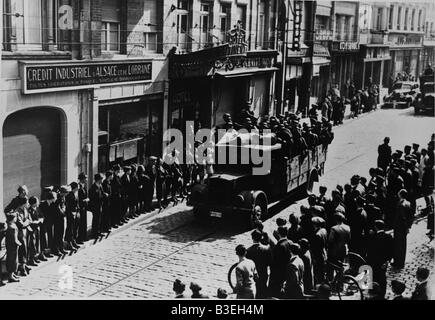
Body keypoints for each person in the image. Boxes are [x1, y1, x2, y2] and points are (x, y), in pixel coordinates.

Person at [366, 220, 394, 298]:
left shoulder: (373, 237)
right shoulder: (389, 237)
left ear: (375, 227)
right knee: (382, 278)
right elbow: (391, 250)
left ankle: (374, 294)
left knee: (374, 278)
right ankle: (382, 294)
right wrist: (387, 261)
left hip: (374, 263)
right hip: (383, 263)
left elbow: (369, 251)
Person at [246, 230, 272, 299]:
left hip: (253, 276)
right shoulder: (266, 249)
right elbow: (269, 262)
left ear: (252, 238)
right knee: (262, 291)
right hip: (263, 274)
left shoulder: (248, 251)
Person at [392, 189, 414, 269]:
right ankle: (400, 262)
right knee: (403, 245)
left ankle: (398, 262)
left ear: (400, 195)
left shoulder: (400, 205)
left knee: (398, 246)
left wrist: (405, 227)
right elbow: (410, 217)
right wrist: (408, 227)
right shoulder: (408, 203)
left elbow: (402, 217)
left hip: (399, 228)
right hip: (403, 228)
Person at [269, 226, 291, 298]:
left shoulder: (279, 246)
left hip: (279, 273)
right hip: (288, 270)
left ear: (279, 234)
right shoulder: (290, 242)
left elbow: (275, 262)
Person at [27, 196, 45, 265]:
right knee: (32, 244)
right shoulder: (29, 210)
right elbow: (30, 221)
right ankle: (31, 259)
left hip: (38, 228)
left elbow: (42, 216)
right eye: (37, 202)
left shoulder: (37, 209)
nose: (38, 203)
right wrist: (37, 221)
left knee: (37, 243)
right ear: (33, 203)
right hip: (32, 229)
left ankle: (36, 257)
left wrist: (41, 219)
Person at [16, 197, 31, 275]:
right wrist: (27, 222)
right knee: (22, 251)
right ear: (24, 203)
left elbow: (29, 219)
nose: (28, 204)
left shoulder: (25, 210)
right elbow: (21, 224)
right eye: (27, 202)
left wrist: (27, 222)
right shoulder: (17, 212)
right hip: (20, 234)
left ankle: (25, 265)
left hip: (26, 232)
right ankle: (22, 268)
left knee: (26, 249)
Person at [89, 173, 107, 239]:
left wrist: (104, 194)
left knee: (99, 219)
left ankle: (98, 231)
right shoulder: (93, 187)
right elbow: (93, 197)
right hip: (95, 206)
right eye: (101, 179)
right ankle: (94, 233)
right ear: (98, 180)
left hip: (100, 205)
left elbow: (101, 193)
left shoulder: (100, 186)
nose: (102, 180)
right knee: (95, 220)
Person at [39, 191, 57, 258]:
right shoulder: (42, 204)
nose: (55, 200)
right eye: (54, 198)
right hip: (44, 224)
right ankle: (44, 252)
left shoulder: (52, 204)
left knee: (50, 237)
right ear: (51, 198)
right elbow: (41, 214)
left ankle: (49, 252)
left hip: (50, 223)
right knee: (44, 239)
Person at [311, 217, 327, 285]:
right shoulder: (324, 230)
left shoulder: (317, 235)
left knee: (318, 272)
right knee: (322, 272)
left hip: (319, 256)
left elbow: (316, 248)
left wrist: (314, 258)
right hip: (324, 253)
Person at [65, 182, 81, 251]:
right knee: (70, 229)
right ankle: (69, 243)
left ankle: (74, 241)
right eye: (77, 187)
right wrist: (71, 213)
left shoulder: (75, 194)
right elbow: (68, 206)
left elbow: (77, 203)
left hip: (75, 213)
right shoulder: (69, 195)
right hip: (71, 214)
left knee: (75, 228)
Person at [5, 212, 20, 282]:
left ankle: (12, 273)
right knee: (12, 260)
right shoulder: (11, 227)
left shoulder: (12, 225)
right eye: (15, 217)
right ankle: (10, 276)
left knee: (14, 260)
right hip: (12, 246)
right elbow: (14, 238)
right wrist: (18, 243)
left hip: (13, 246)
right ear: (12, 219)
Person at [53, 186, 69, 256]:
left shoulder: (63, 198)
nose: (67, 194)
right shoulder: (58, 198)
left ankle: (61, 248)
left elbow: (64, 206)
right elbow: (57, 208)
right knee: (57, 234)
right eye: (66, 192)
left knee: (62, 233)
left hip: (62, 218)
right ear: (62, 192)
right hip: (58, 219)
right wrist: (63, 213)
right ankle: (56, 249)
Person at [78, 173, 90, 244]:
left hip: (84, 207)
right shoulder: (79, 187)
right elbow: (79, 198)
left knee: (84, 222)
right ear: (82, 179)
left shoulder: (84, 186)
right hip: (81, 207)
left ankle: (84, 236)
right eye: (85, 178)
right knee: (81, 223)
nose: (87, 180)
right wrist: (85, 200)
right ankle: (80, 238)